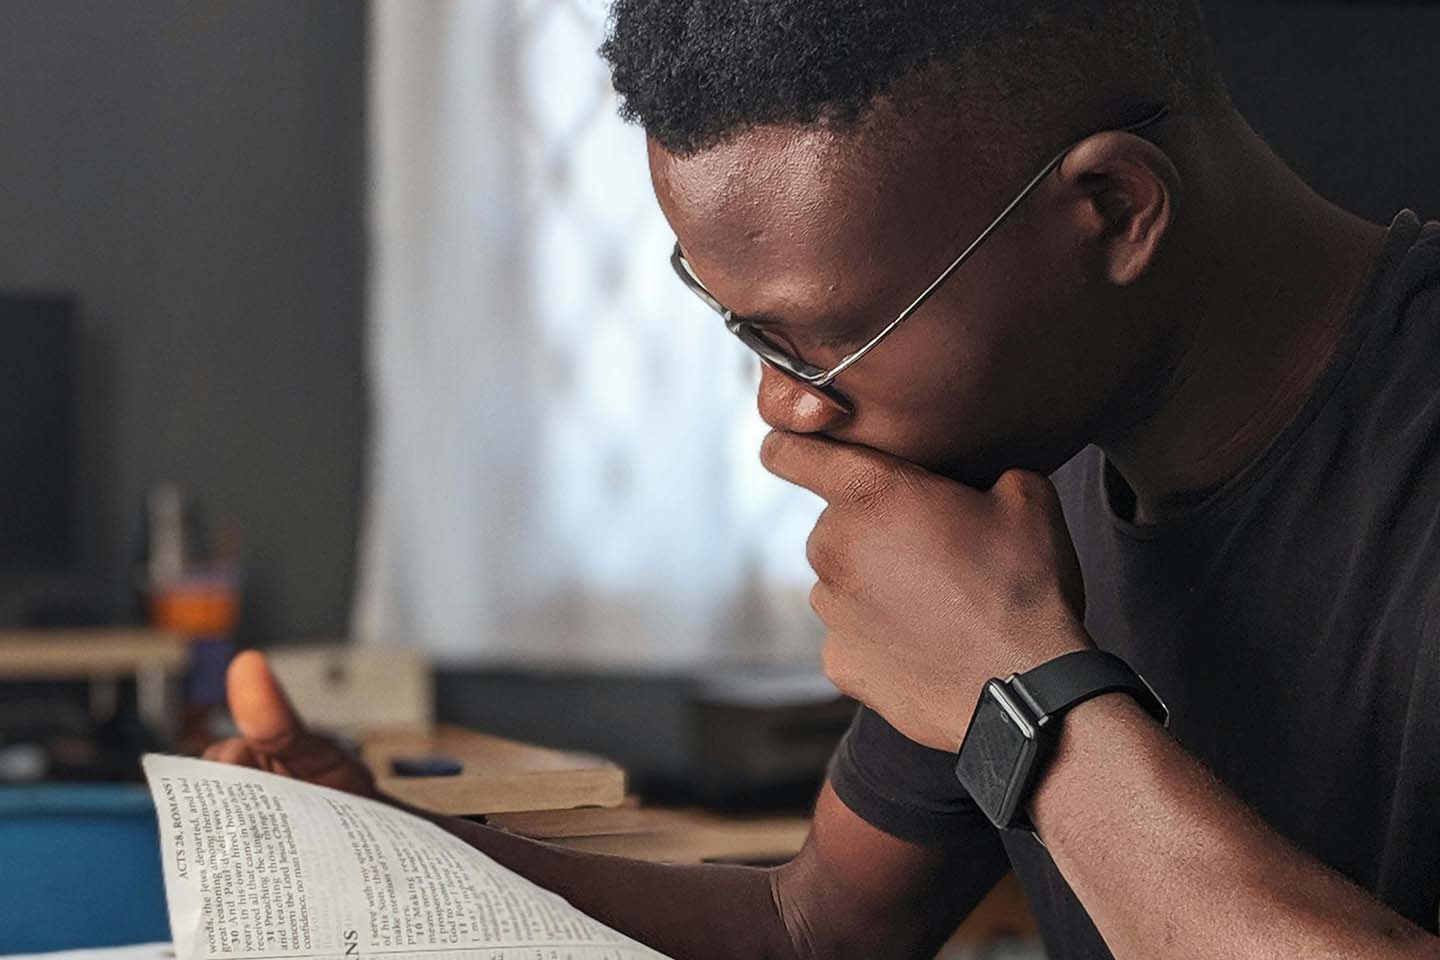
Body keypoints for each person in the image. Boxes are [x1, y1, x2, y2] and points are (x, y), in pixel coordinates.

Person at [205, 1, 1440, 957]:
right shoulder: (1026, 464)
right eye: (747, 336)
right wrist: (383, 854)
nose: (784, 406)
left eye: (823, 338)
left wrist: (1021, 694)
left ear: (1112, 211)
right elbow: (812, 932)